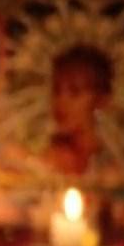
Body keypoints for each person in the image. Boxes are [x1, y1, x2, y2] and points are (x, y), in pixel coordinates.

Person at [46, 44, 115, 178]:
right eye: (56, 91)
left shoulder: (115, 170)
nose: (61, 101)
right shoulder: (44, 163)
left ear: (101, 99)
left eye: (75, 92)